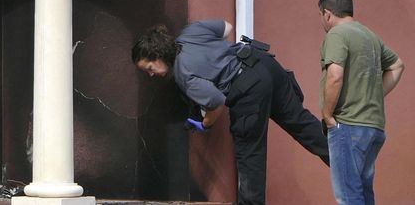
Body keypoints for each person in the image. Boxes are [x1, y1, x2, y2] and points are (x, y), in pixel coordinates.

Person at [132, 19, 329, 205]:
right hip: (263, 63)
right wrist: (218, 57)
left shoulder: (184, 74)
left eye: (149, 68)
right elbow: (226, 27)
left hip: (248, 88)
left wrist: (206, 124)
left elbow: (216, 101)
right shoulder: (190, 32)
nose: (151, 74)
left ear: (158, 55)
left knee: (250, 155)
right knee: (302, 124)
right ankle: (345, 162)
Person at [318, 0, 405, 205]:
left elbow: (335, 75)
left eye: (320, 15)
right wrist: (374, 94)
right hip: (373, 126)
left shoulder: (337, 34)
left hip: (348, 125)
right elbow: (397, 65)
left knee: (348, 196)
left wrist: (327, 115)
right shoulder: (369, 35)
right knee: (364, 193)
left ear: (327, 13)